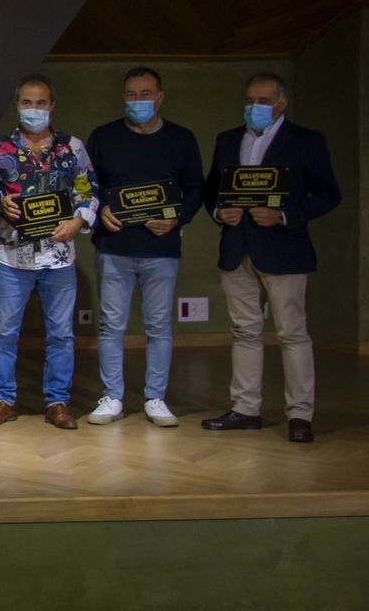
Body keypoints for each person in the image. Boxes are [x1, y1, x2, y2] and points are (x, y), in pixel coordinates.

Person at [201, 71, 340, 443]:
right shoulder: (228, 139)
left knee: (292, 333)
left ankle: (300, 415)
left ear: (282, 103)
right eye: (249, 100)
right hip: (236, 249)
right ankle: (246, 409)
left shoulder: (306, 141)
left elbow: (328, 194)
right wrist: (219, 212)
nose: (254, 108)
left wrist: (284, 214)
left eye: (263, 101)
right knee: (244, 331)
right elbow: (211, 190)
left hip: (285, 249)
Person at [85, 67, 204, 427]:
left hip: (161, 248)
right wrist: (100, 207)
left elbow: (196, 188)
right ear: (123, 97)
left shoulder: (182, 139)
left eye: (145, 94)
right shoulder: (103, 137)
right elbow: (87, 184)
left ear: (160, 97)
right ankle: (113, 397)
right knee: (110, 326)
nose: (138, 101)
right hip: (114, 247)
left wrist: (178, 217)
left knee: (159, 327)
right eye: (131, 95)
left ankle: (155, 397)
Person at [0, 73, 99, 430]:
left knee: (61, 333)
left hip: (59, 258)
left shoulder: (72, 148)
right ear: (17, 106)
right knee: (4, 332)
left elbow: (89, 192)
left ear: (52, 106)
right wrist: (1, 205)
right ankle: (3, 399)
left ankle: (57, 401)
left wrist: (78, 222)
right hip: (12, 257)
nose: (35, 109)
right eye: (27, 103)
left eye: (41, 102)